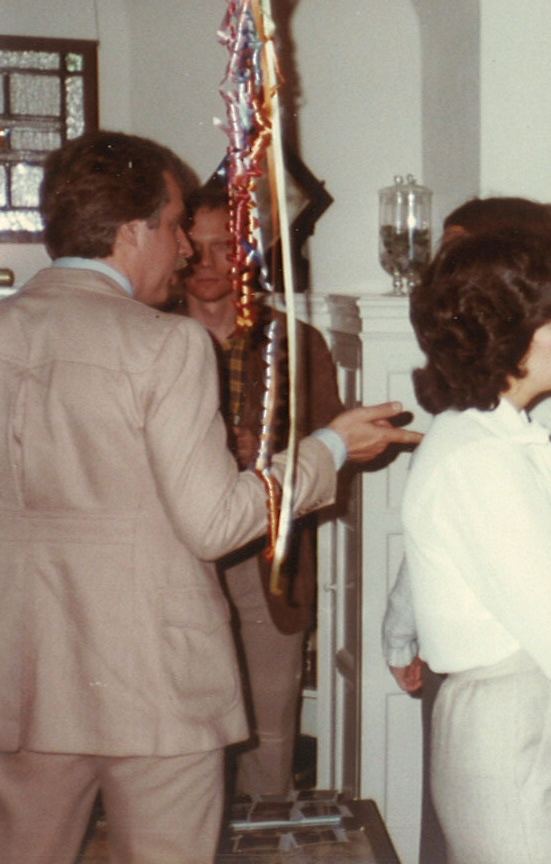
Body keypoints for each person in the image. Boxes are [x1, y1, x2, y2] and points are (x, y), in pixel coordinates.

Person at [0, 130, 420, 864]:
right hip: (154, 682)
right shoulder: (164, 344)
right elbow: (214, 521)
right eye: (172, 229)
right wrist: (327, 449)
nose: (187, 252)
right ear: (133, 232)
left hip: (24, 677)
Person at [382, 195, 551, 864]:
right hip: (520, 734)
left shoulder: (516, 438)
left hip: (546, 726)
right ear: (504, 336)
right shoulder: (477, 460)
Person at [181, 180, 346, 796]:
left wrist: (273, 458)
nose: (208, 264)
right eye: (193, 247)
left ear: (250, 252)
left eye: (224, 246)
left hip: (266, 562)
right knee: (182, 734)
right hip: (177, 557)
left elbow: (338, 459)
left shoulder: (298, 343)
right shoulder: (148, 338)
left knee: (269, 730)